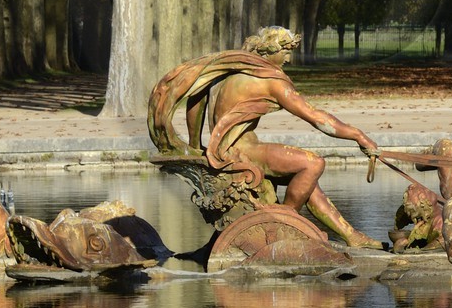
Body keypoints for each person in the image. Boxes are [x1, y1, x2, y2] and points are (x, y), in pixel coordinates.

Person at [163, 25, 384, 249]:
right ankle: (283, 223)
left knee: (308, 184)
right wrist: (358, 135)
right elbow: (315, 117)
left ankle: (351, 235)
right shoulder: (270, 80)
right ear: (271, 51)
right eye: (286, 52)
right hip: (243, 152)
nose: (288, 59)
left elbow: (195, 99)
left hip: (225, 150)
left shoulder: (228, 71)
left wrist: (195, 143)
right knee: (313, 164)